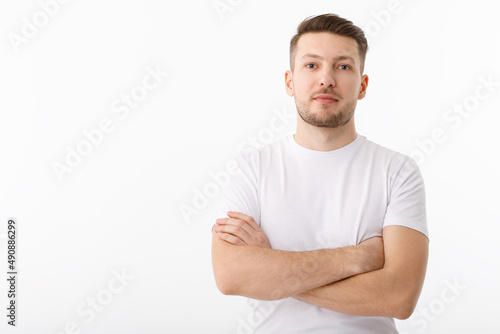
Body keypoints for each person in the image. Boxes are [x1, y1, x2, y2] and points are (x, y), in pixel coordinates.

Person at [211, 13, 429, 334]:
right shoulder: (253, 168)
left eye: (343, 66)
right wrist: (358, 258)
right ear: (289, 81)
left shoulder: (396, 171)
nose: (326, 79)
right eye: (311, 65)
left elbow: (399, 297)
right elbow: (231, 277)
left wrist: (272, 265)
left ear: (363, 85)